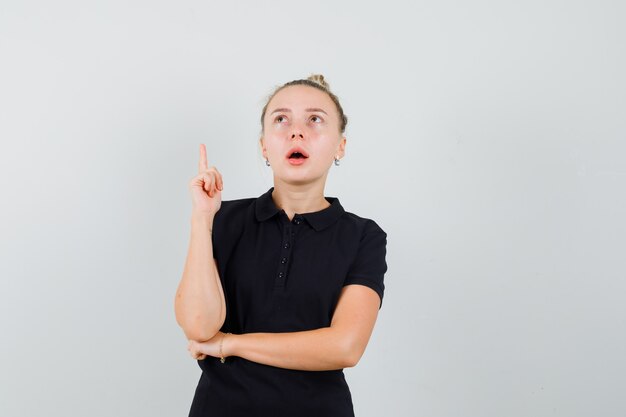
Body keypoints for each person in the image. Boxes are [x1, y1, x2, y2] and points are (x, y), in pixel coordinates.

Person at [174, 74, 388, 417]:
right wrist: (202, 217)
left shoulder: (363, 236)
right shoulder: (223, 219)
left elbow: (345, 346)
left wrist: (230, 344)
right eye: (281, 119)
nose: (296, 131)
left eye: (315, 119)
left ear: (340, 146)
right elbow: (199, 326)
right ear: (264, 146)